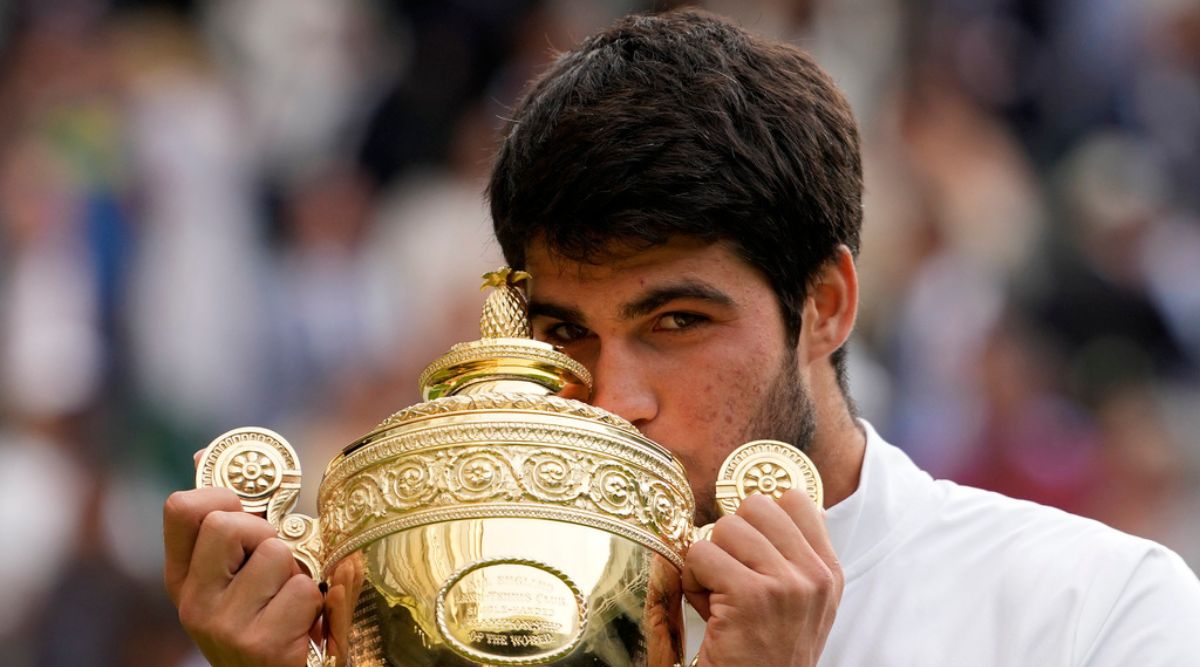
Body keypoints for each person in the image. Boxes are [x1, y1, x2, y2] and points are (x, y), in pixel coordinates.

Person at [163, 9, 1200, 666]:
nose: (614, 397)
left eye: (676, 321)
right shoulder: (463, 607)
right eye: (565, 331)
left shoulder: (1090, 610)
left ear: (827, 304)